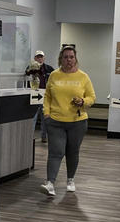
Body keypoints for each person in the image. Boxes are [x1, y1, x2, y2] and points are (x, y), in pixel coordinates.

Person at [40, 46, 95, 196]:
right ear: (61, 59)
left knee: (72, 152)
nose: (69, 60)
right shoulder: (54, 76)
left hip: (77, 122)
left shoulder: (83, 77)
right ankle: (50, 183)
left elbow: (92, 97)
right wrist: (46, 114)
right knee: (55, 152)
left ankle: (70, 179)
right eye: (65, 57)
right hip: (55, 121)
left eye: (71, 57)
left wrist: (83, 101)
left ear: (75, 59)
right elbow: (47, 97)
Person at [25, 50, 55, 143]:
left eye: (41, 57)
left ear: (44, 58)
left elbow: (54, 79)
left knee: (45, 117)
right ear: (35, 58)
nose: (39, 58)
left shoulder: (49, 69)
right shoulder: (30, 68)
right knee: (33, 117)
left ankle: (44, 137)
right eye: (38, 57)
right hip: (34, 95)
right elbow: (26, 74)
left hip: (45, 95)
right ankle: (30, 136)